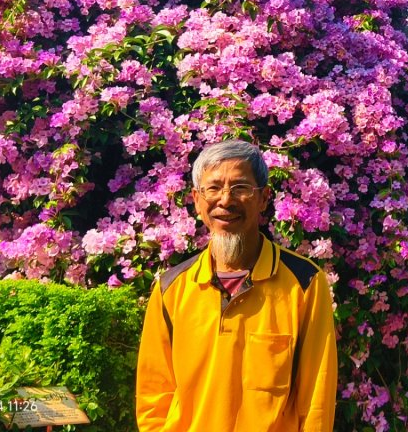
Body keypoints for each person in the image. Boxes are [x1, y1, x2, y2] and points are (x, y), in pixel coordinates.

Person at [136, 140, 337, 432]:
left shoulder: (303, 283)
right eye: (213, 188)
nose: (226, 200)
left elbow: (316, 397)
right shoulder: (172, 287)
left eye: (241, 188)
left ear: (264, 198)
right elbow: (153, 395)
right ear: (196, 199)